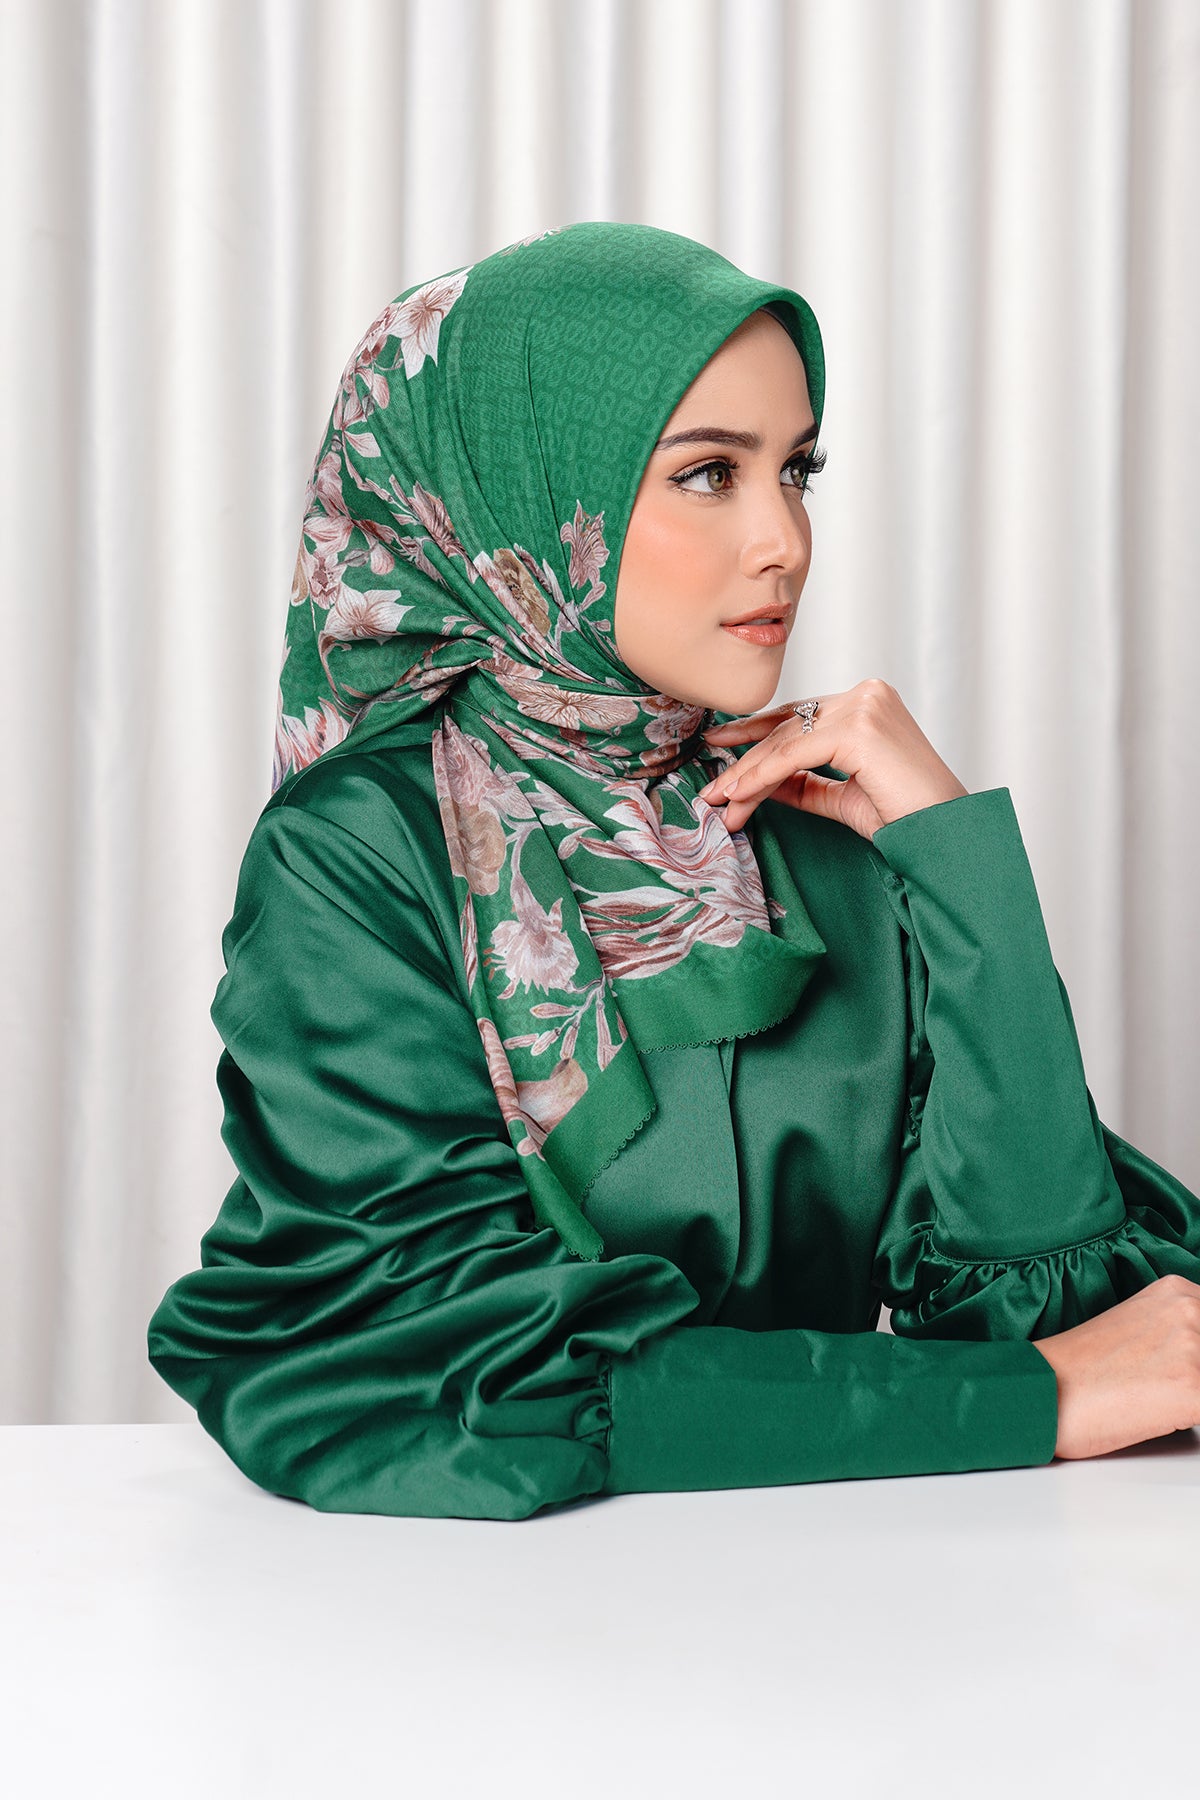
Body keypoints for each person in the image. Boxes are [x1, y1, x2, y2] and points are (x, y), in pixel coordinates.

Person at [146, 220, 1200, 1520]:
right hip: (460, 1617)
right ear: (530, 490)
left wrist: (957, 856)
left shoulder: (818, 844)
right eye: (709, 474)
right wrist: (1032, 1401)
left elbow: (1080, 1320)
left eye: (797, 470)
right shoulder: (361, 851)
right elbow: (477, 1383)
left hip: (856, 1592)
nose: (784, 542)